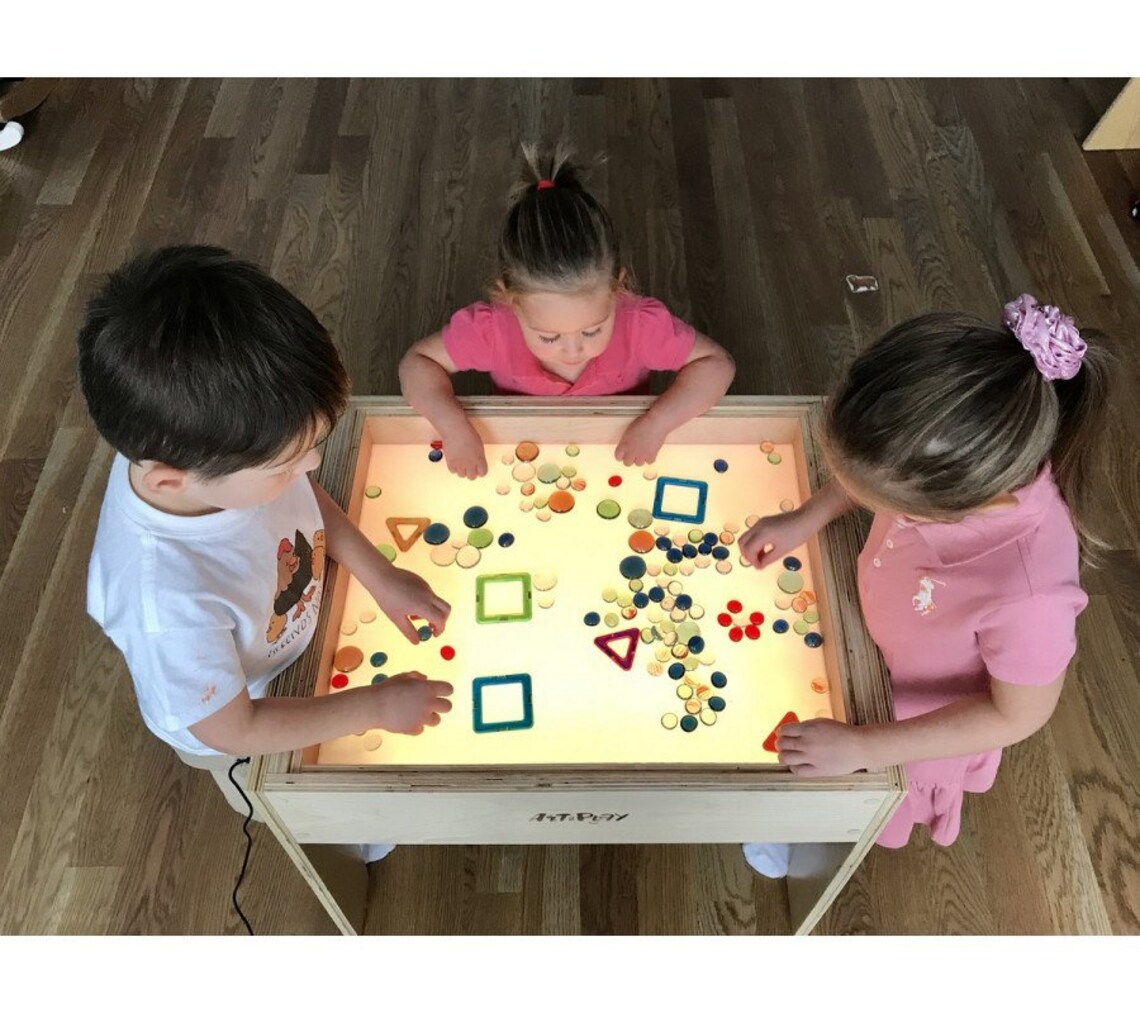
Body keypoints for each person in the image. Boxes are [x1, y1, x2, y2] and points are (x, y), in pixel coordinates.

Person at [79, 245, 454, 854]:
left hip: (290, 636)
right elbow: (233, 729)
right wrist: (374, 706)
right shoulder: (163, 604)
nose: (311, 465)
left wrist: (378, 573)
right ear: (169, 480)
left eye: (311, 446)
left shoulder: (222, 450)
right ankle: (349, 841)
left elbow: (301, 502)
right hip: (245, 715)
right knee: (306, 812)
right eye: (287, 462)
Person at [738, 295, 1110, 876]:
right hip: (874, 660)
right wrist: (812, 513)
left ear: (949, 505)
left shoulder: (1031, 596)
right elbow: (879, 468)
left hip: (905, 729)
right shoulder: (952, 464)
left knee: (843, 803)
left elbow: (1016, 717)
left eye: (893, 507)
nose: (869, 500)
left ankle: (809, 850)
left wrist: (864, 749)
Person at [399, 144, 736, 478]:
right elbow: (416, 365)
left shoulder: (638, 322)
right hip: (524, 452)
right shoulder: (492, 327)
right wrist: (453, 427)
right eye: (549, 337)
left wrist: (658, 421)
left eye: (592, 331)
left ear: (618, 289)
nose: (573, 352)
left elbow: (718, 366)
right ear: (509, 300)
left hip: (619, 453)